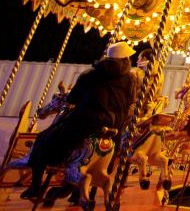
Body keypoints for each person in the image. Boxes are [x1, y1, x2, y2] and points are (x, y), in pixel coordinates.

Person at [19, 41, 139, 200]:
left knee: (43, 139)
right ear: (125, 60)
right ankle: (79, 190)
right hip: (114, 125)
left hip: (87, 121)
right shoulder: (131, 79)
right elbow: (131, 102)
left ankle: (35, 187)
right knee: (115, 150)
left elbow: (72, 98)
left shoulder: (90, 75)